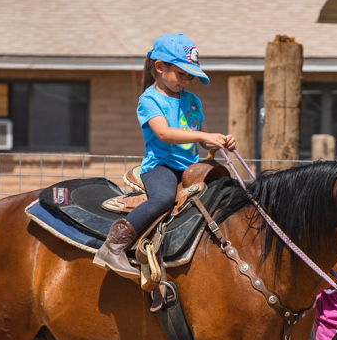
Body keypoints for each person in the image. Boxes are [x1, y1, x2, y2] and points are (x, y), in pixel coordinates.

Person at [94, 33, 234, 277]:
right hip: (161, 166)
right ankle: (114, 246)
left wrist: (219, 141)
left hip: (191, 167)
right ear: (159, 67)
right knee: (163, 198)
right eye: (182, 74)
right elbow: (164, 133)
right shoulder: (149, 99)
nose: (186, 80)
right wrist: (203, 137)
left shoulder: (192, 100)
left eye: (190, 76)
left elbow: (202, 138)